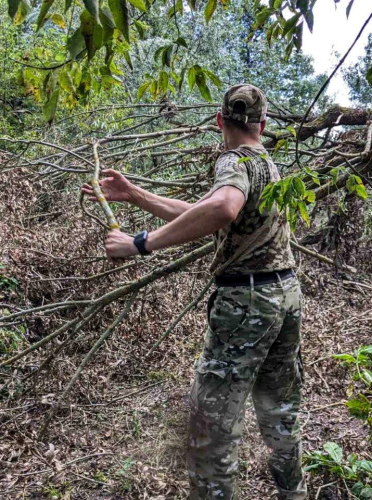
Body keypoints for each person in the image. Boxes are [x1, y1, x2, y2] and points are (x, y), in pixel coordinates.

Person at [82, 84, 307, 499]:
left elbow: (222, 207)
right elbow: (206, 213)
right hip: (285, 294)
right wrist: (135, 194)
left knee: (212, 427)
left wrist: (140, 244)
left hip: (247, 304)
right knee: (280, 413)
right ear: (264, 125)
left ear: (220, 121)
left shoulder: (233, 161)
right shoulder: (265, 164)